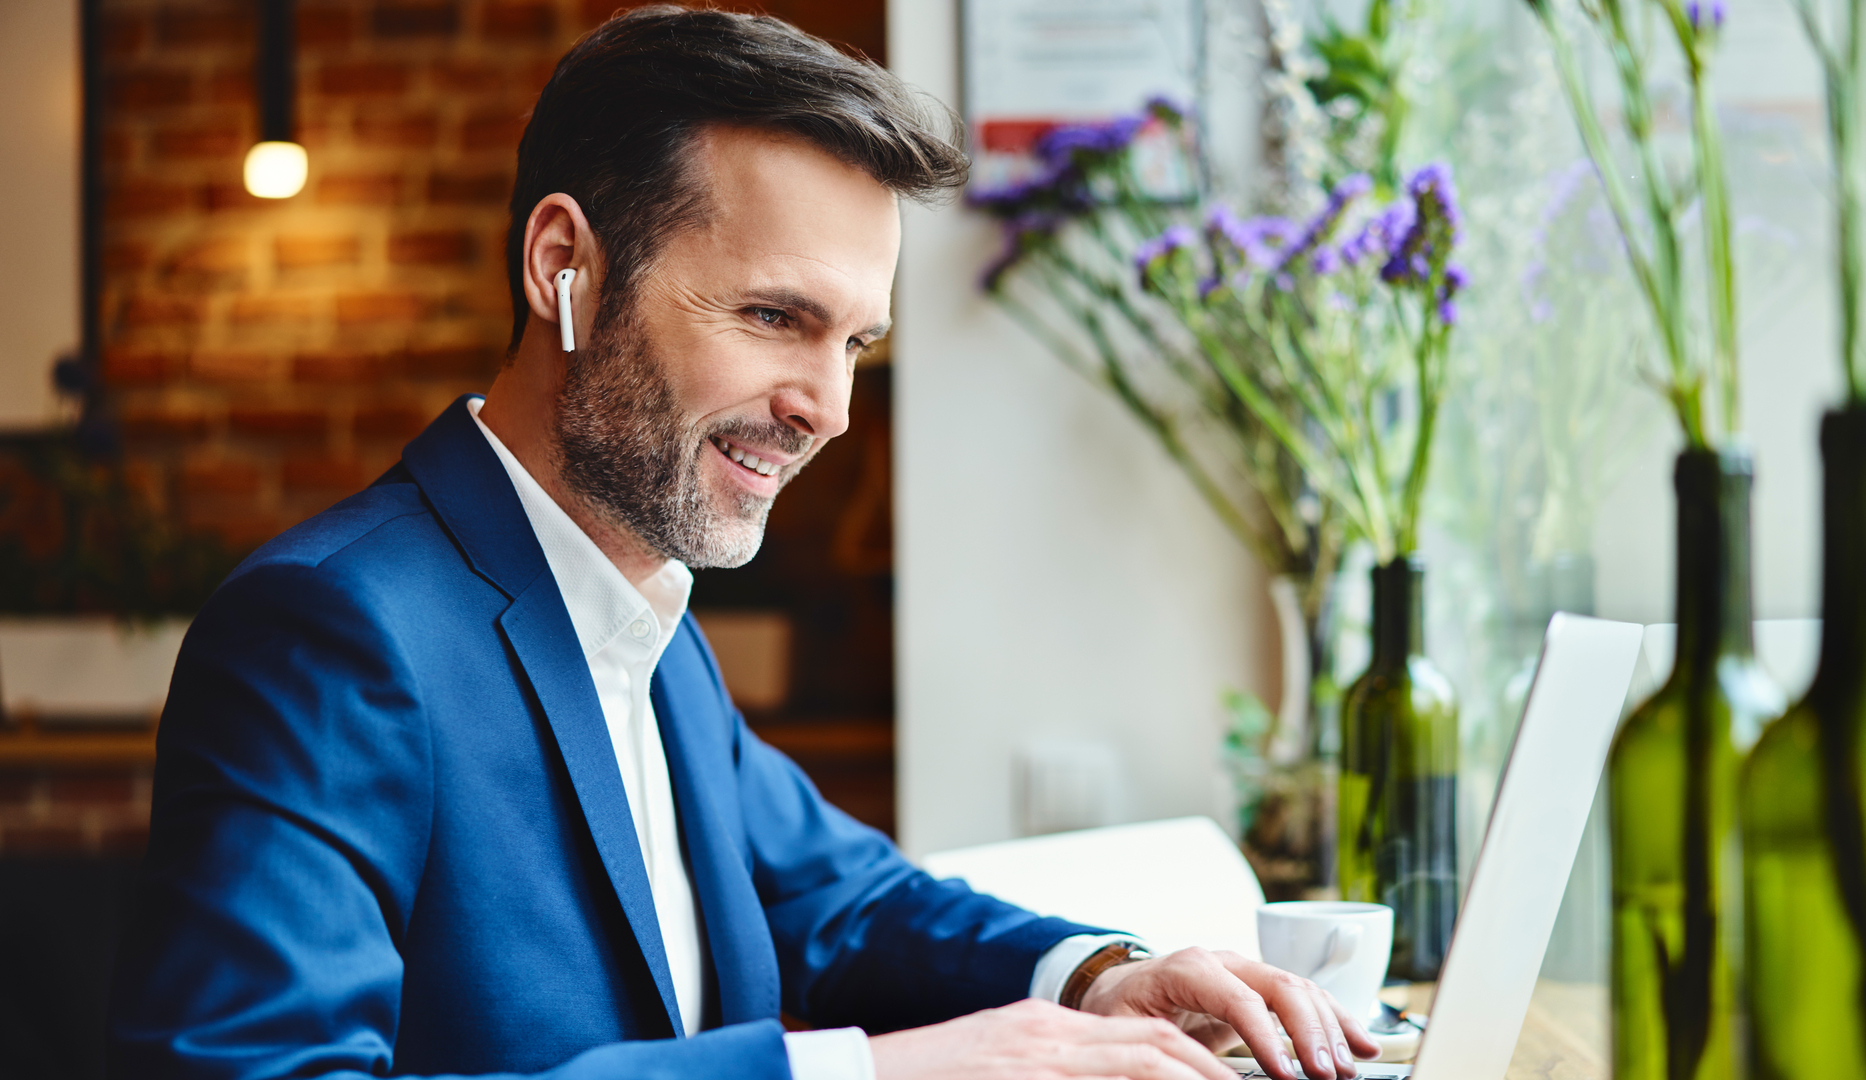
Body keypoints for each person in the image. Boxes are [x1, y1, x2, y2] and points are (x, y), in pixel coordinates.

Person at [108, 8, 1379, 1080]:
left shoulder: (646, 615)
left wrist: (1109, 976)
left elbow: (846, 902)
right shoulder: (328, 633)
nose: (825, 408)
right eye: (775, 316)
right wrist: (873, 1070)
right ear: (567, 267)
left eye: (854, 346)